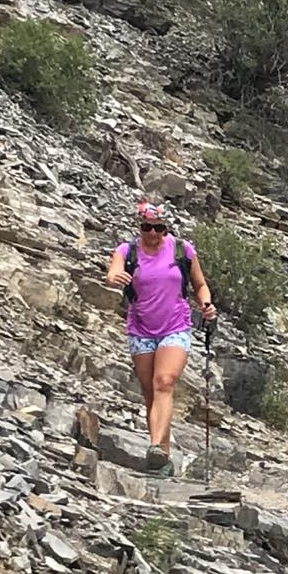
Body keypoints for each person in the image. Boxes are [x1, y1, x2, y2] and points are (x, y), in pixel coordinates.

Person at [103, 201, 216, 478]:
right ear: (139, 227)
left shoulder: (181, 250)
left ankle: (154, 446)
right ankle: (162, 458)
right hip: (140, 328)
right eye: (147, 228)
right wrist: (114, 277)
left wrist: (206, 304)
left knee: (164, 382)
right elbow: (111, 273)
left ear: (166, 227)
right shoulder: (127, 251)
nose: (153, 233)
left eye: (158, 228)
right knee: (151, 394)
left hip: (175, 326)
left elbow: (199, 284)